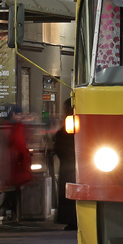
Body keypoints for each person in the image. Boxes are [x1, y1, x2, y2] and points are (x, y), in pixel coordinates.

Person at [0, 105, 33, 222]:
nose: (20, 117)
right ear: (13, 114)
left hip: (13, 164)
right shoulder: (14, 127)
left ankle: (8, 211)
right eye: (19, 114)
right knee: (13, 189)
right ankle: (10, 212)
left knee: (13, 188)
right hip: (13, 164)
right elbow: (18, 143)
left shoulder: (9, 126)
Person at [53, 98, 77, 229]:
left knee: (68, 193)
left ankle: (71, 220)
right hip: (74, 164)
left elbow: (60, 143)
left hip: (69, 165)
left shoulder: (69, 125)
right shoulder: (72, 124)